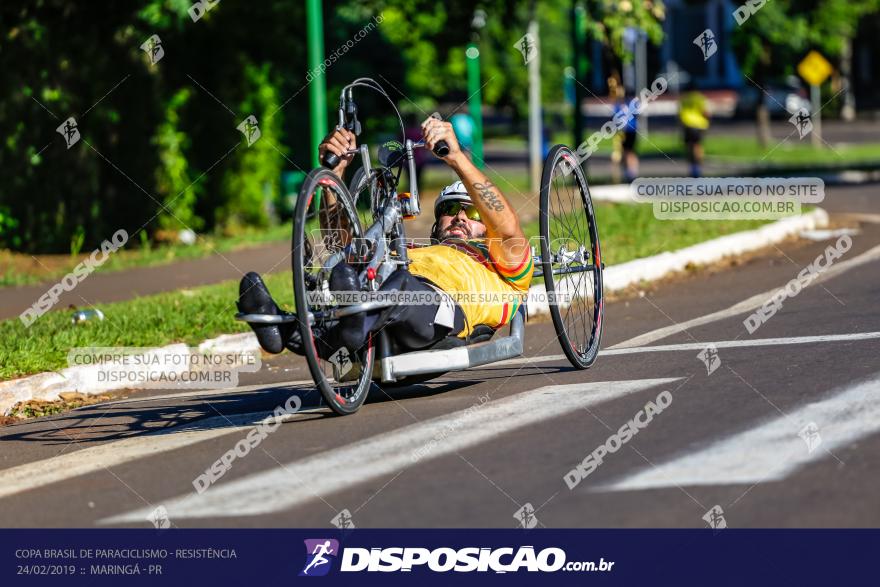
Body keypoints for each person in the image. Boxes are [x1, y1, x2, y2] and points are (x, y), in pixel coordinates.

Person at [237, 116, 533, 360]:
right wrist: (334, 179)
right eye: (451, 209)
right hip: (380, 299)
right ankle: (279, 325)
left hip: (440, 315)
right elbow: (343, 247)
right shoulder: (409, 250)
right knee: (356, 264)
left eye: (475, 214)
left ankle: (349, 322)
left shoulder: (504, 268)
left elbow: (506, 228)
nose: (460, 217)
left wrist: (454, 156)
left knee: (401, 284)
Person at [679, 86, 710, 178]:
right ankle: (698, 166)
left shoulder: (683, 99)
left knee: (689, 146)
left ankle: (692, 168)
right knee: (698, 145)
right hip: (699, 125)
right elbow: (705, 112)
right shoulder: (699, 98)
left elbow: (680, 113)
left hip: (687, 124)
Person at [613, 91, 639, 182]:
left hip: (630, 131)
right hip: (622, 132)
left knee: (629, 152)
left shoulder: (630, 105)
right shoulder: (618, 106)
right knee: (623, 153)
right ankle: (627, 173)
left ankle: (631, 173)